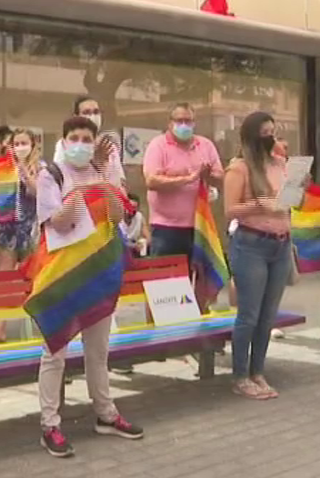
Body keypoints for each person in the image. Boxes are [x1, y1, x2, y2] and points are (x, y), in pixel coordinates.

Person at [36, 116, 143, 458]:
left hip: (98, 272)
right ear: (64, 140)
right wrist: (83, 190)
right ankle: (50, 425)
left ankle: (106, 415)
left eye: (87, 138)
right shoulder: (50, 174)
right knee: (55, 353)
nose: (81, 143)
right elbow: (60, 221)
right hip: (63, 275)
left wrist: (107, 178)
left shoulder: (101, 171)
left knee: (98, 352)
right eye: (75, 137)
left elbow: (115, 216)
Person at [223, 111, 291, 400]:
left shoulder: (280, 164)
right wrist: (258, 204)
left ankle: (257, 371)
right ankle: (240, 375)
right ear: (252, 136)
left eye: (272, 131)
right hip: (251, 243)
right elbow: (230, 209)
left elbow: (288, 201)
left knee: (267, 315)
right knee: (249, 314)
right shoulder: (239, 168)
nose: (270, 137)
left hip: (281, 243)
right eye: (264, 132)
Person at [143, 103, 223, 284]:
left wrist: (207, 176)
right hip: (166, 228)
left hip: (200, 225)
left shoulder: (206, 145)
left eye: (188, 121)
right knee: (164, 284)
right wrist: (189, 179)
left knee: (203, 278)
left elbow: (220, 177)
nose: (184, 125)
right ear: (170, 123)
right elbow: (152, 181)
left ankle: (198, 311)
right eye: (179, 121)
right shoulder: (158, 146)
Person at [0, 128, 41, 346]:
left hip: (28, 228)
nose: (20, 147)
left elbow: (37, 192)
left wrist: (23, 170)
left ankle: (33, 326)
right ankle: (0, 329)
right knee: (3, 280)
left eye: (24, 143)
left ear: (33, 146)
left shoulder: (39, 168)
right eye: (16, 143)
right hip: (6, 228)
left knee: (31, 280)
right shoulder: (4, 168)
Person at [122, 193, 150, 257]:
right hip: (122, 251)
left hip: (135, 249)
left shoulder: (139, 216)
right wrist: (133, 246)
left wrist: (145, 243)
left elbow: (148, 236)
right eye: (130, 207)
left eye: (135, 208)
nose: (132, 210)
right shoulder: (117, 219)